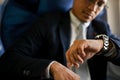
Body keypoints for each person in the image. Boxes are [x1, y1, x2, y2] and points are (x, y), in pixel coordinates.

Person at [0, 0, 120, 80]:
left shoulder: (101, 28)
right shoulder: (49, 23)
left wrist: (102, 44)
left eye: (100, 3)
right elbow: (9, 60)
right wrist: (51, 67)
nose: (92, 8)